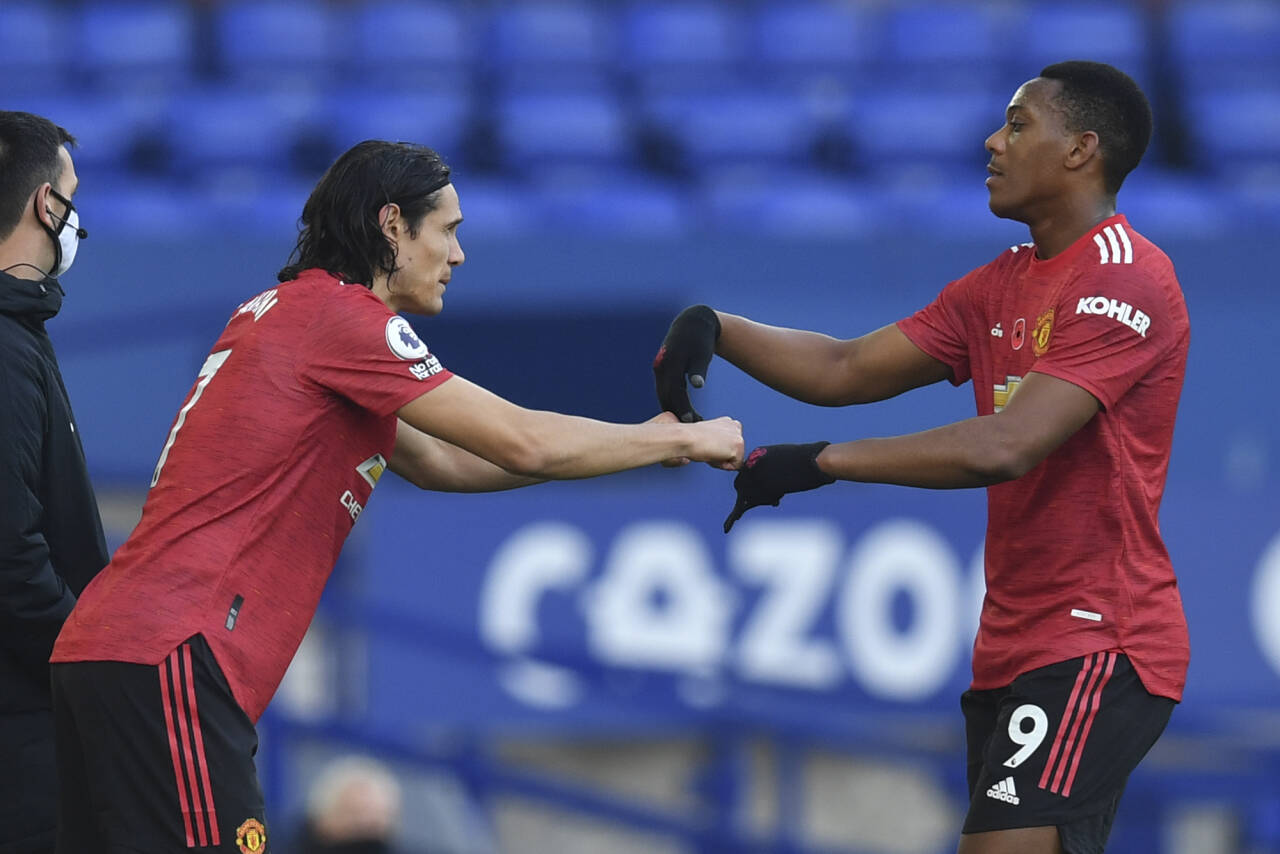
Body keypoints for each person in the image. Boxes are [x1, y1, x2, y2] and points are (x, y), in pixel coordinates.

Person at [49, 139, 743, 852]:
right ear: (392, 226)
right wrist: (678, 440)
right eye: (448, 230)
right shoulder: (346, 321)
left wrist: (633, 445)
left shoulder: (282, 314)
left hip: (110, 649)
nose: (459, 254)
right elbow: (521, 439)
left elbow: (446, 462)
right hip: (175, 655)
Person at [654, 62, 1188, 854]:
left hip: (1099, 639)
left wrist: (820, 462)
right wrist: (718, 328)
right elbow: (843, 368)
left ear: (1081, 150)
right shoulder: (1000, 283)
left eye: (1016, 124)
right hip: (1012, 642)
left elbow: (1008, 445)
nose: (991, 141)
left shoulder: (1129, 280)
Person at [0, 111, 109, 854]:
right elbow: (11, 554)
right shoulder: (5, 347)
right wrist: (94, 665)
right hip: (23, 737)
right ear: (48, 204)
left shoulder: (20, 335)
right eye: (73, 195)